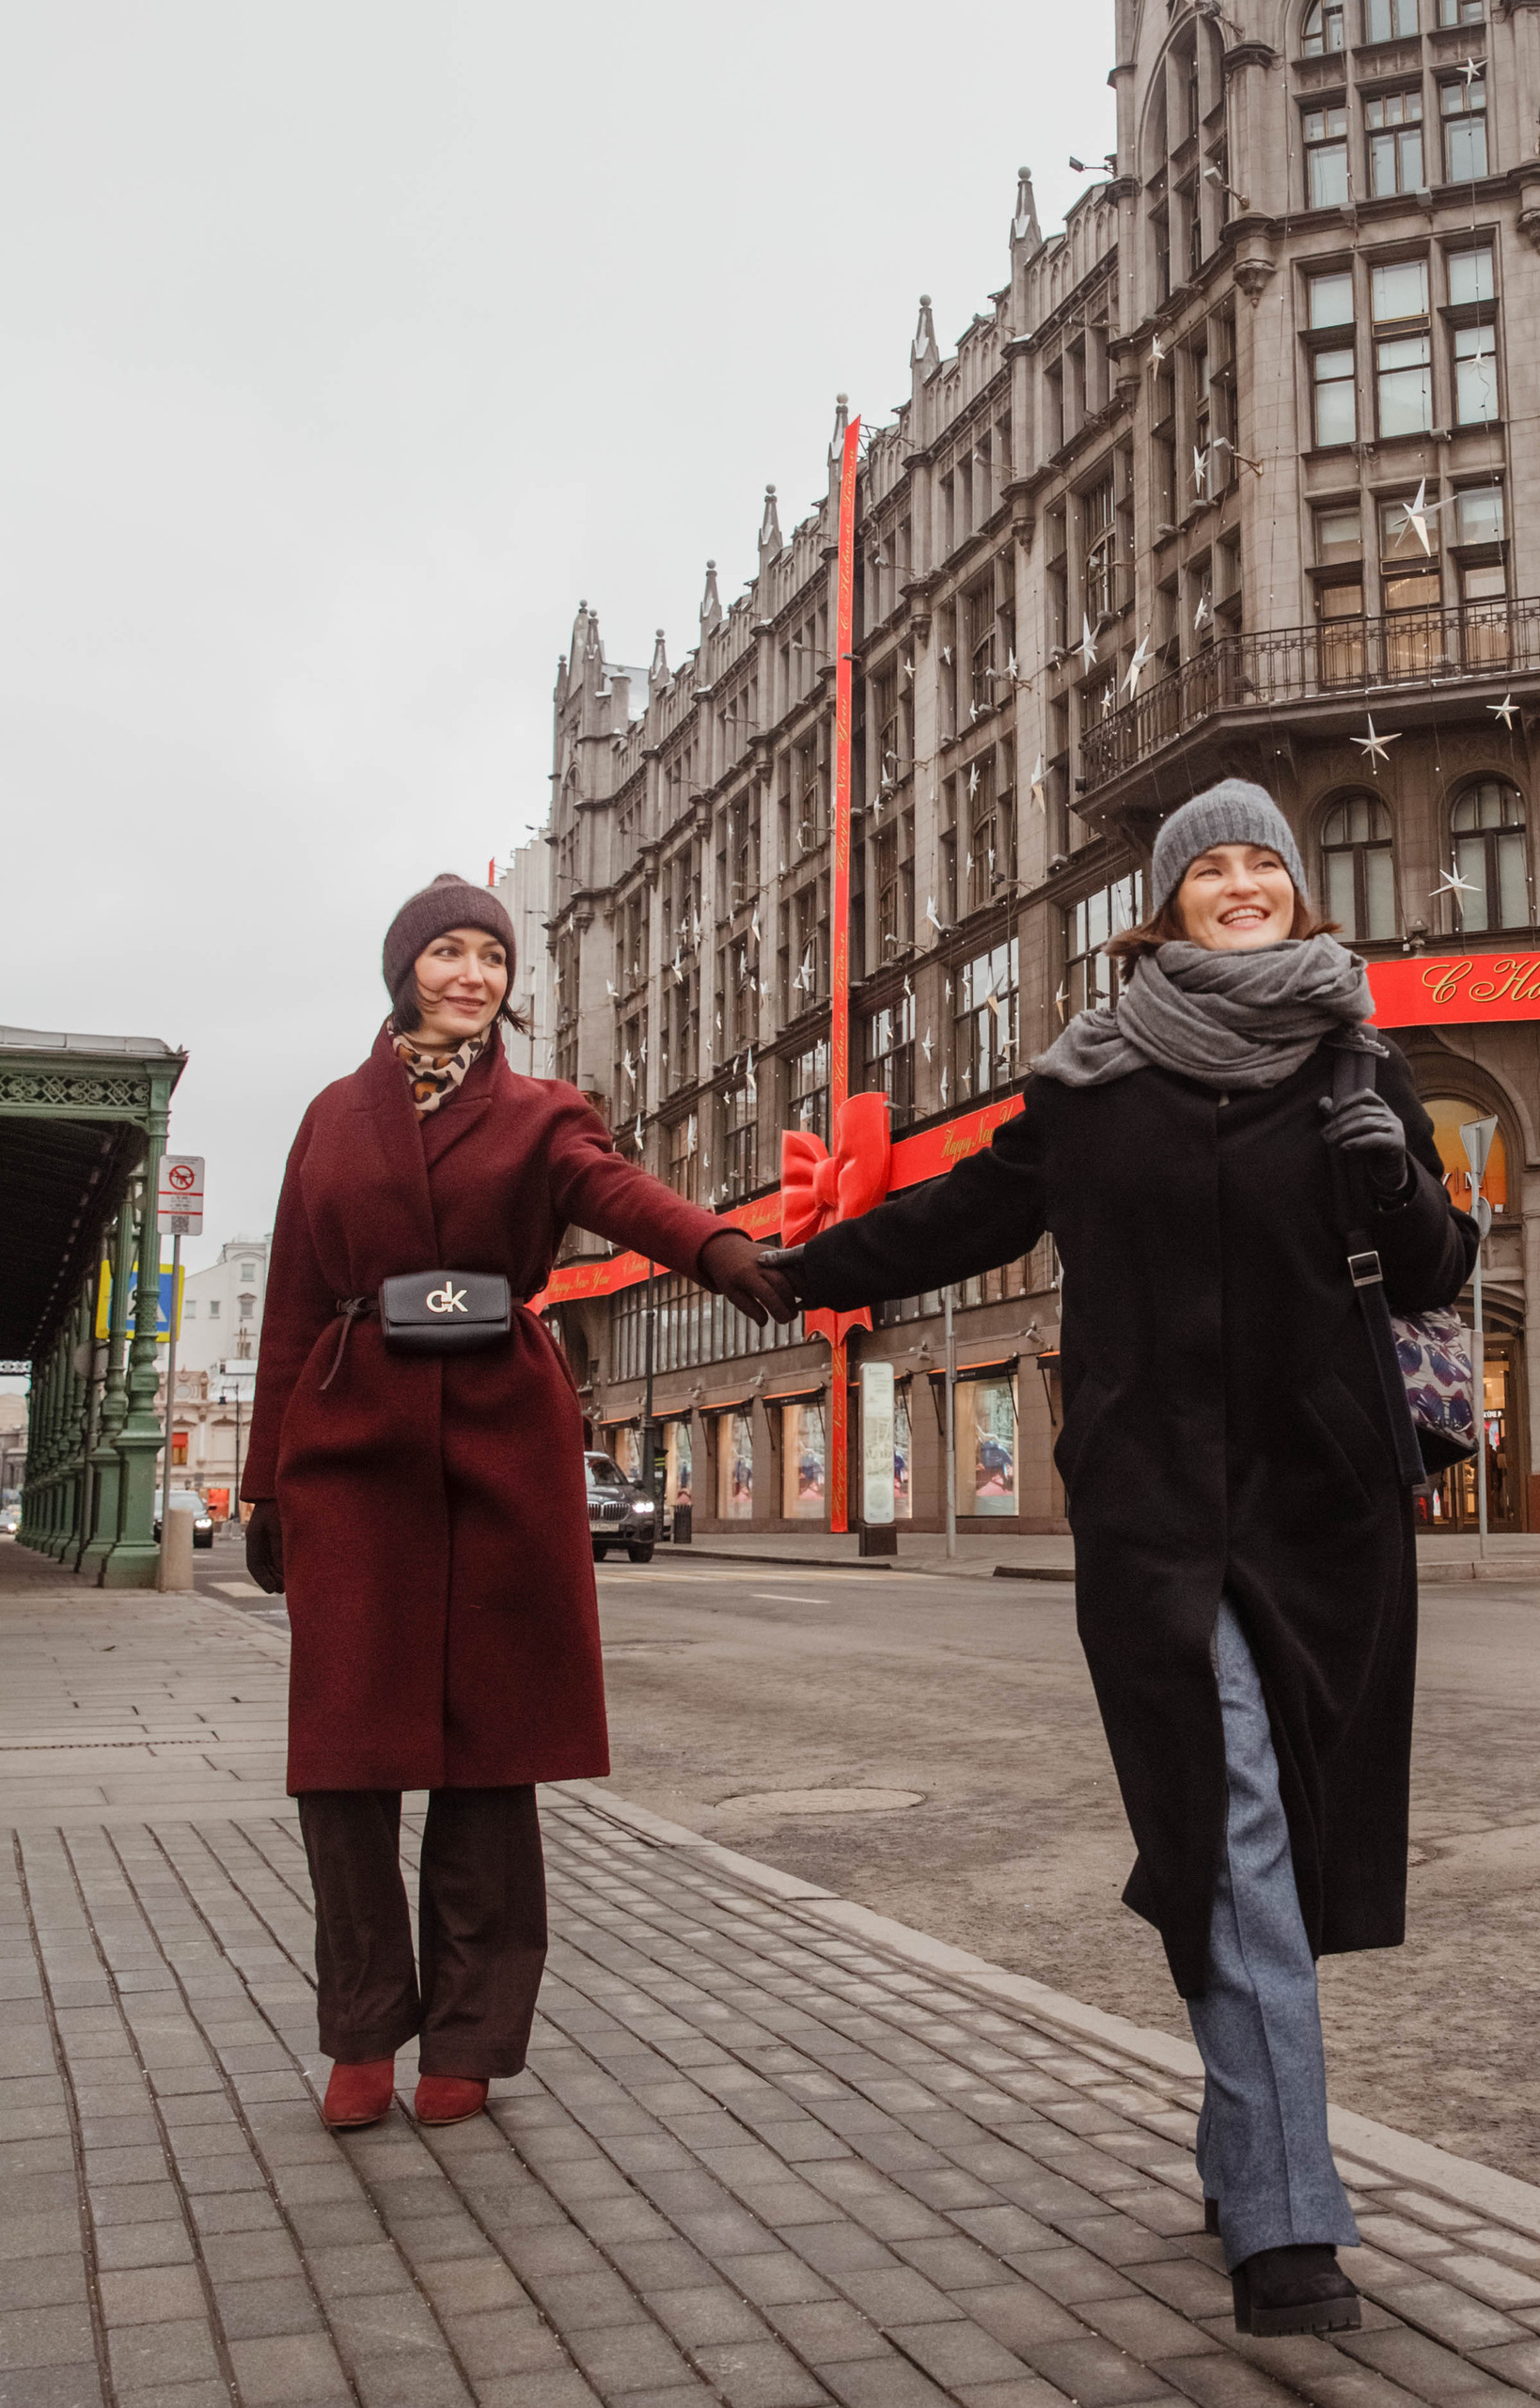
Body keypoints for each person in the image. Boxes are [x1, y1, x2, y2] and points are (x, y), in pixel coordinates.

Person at [777, 782, 1477, 2337]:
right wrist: (791, 1268)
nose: (1240, 883)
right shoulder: (1096, 1078)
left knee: (1274, 1831)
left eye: (1262, 863)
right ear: (1169, 905)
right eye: (1208, 868)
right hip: (1156, 1506)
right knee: (1228, 1821)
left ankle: (1243, 2141)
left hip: (1323, 1506)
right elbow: (962, 1217)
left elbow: (1435, 1269)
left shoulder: (1358, 1056)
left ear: (1296, 890)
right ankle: (1289, 2215)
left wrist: (1393, 1170)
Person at [243, 874, 797, 2134]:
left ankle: (470, 2035)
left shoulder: (545, 1113)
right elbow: (289, 1301)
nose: (472, 976)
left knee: (490, 1757)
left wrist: (718, 1246)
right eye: (447, 953)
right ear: (406, 972)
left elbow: (619, 1193)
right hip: (353, 1437)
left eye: (490, 958)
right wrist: (267, 1479)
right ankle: (360, 2030)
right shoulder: (331, 1117)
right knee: (343, 1760)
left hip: (501, 1437)